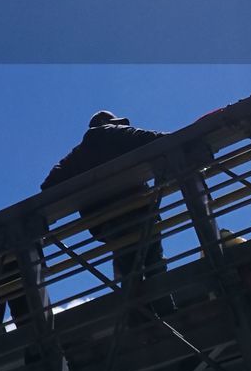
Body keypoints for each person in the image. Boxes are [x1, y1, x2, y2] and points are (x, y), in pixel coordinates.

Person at [42, 111, 174, 315]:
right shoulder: (115, 132)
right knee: (155, 264)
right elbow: (155, 139)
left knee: (129, 272)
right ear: (107, 123)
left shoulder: (77, 155)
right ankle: (167, 314)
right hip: (139, 211)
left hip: (108, 224)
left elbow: (48, 186)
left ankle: (139, 320)